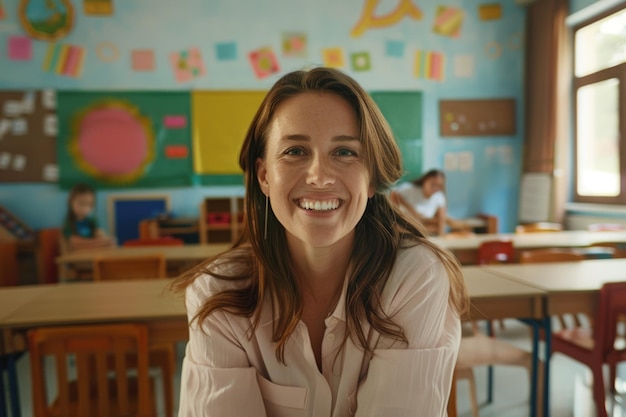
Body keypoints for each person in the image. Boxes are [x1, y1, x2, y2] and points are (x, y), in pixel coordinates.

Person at [172, 67, 469, 417]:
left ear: (371, 178)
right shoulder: (218, 295)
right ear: (264, 175)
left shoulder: (413, 278)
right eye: (295, 151)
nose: (320, 176)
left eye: (344, 152)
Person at [390, 169, 448, 236]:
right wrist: (411, 210)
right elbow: (393, 194)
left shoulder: (439, 196)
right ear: (425, 180)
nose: (435, 188)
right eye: (432, 184)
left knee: (444, 222)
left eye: (439, 186)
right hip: (406, 222)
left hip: (424, 224)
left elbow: (442, 219)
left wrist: (441, 234)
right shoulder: (410, 189)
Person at [62, 183, 114, 251]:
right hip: (76, 257)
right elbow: (75, 243)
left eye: (89, 204)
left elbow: (100, 235)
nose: (85, 208)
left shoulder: (92, 221)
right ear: (70, 202)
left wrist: (105, 240)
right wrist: (99, 243)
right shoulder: (68, 223)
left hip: (92, 255)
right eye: (81, 203)